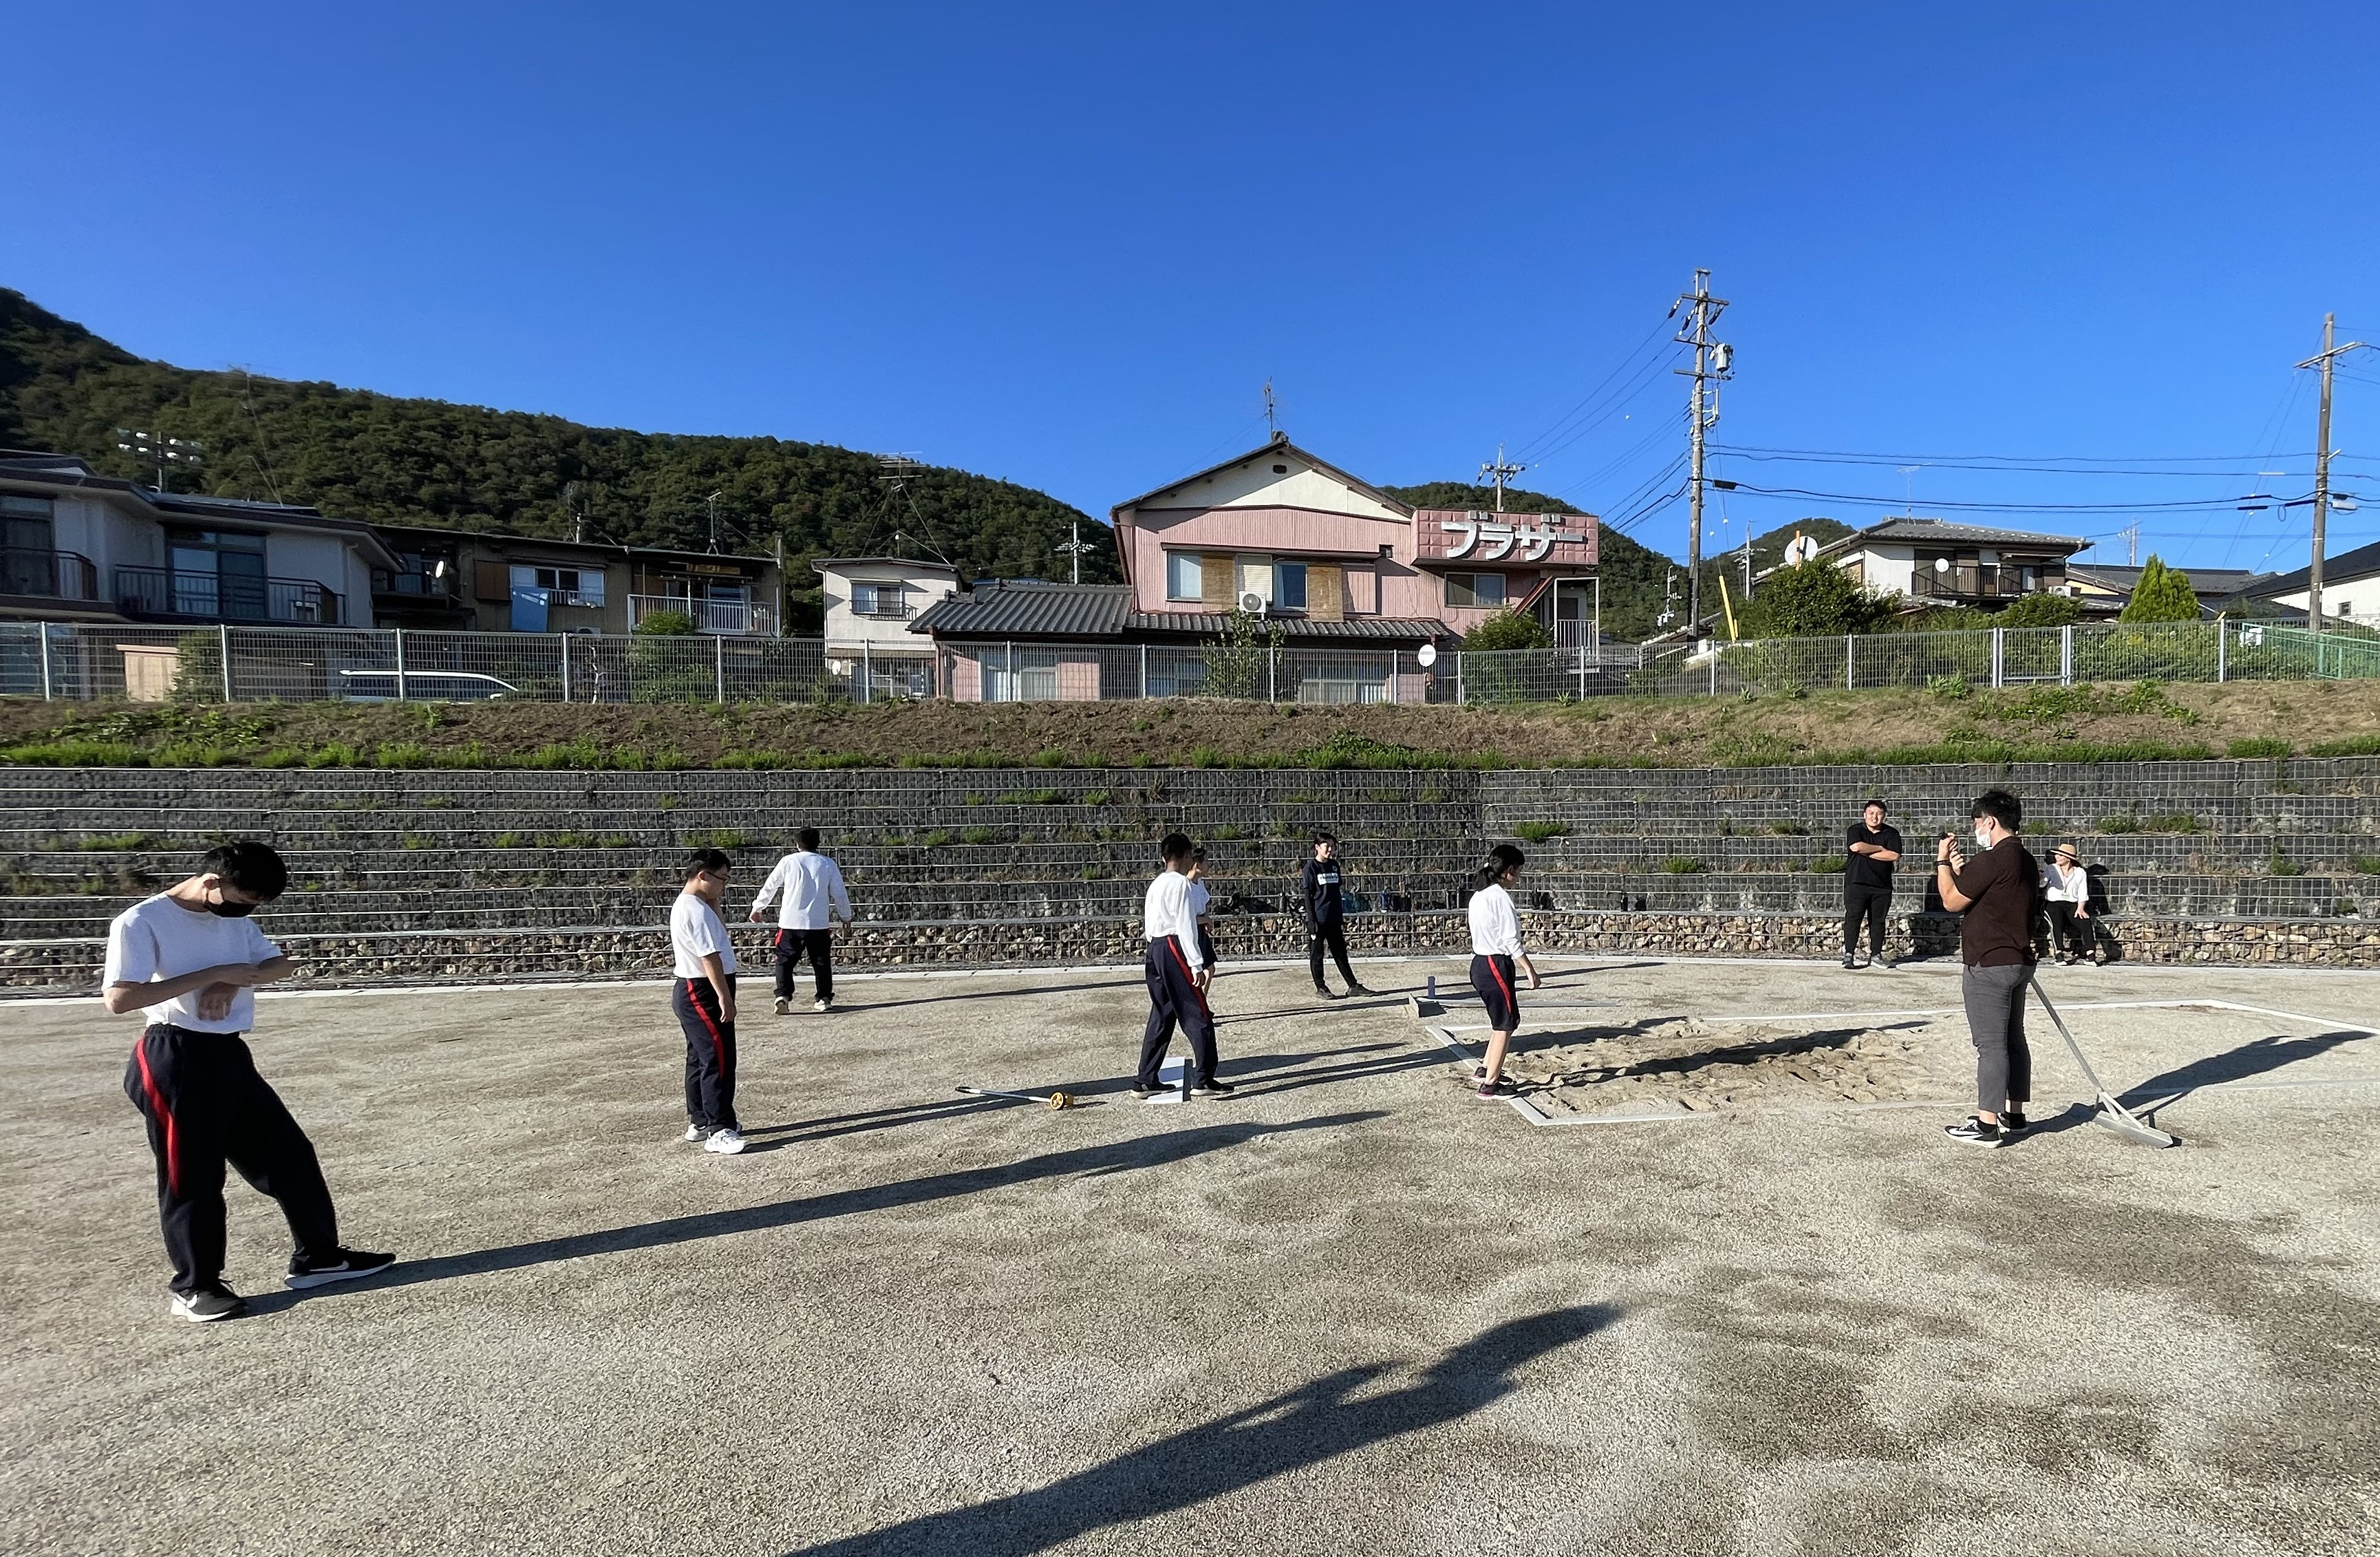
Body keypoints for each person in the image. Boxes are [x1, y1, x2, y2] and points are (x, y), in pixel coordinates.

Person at [104, 841, 394, 1323]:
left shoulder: (234, 918)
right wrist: (212, 973)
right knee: (192, 1175)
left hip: (227, 1051)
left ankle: (319, 1259)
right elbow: (119, 998)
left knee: (289, 1155)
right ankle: (195, 1287)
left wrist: (236, 980)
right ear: (212, 881)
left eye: (258, 904)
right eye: (245, 898)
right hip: (172, 1054)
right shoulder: (141, 921)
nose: (248, 910)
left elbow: (281, 963)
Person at [1933, 788, 2042, 1148]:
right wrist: (1965, 871)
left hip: (1989, 962)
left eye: (1977, 822)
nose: (1976, 828)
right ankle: (2015, 1113)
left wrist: (1943, 864)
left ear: (1990, 821)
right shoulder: (2025, 859)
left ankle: (1987, 1124)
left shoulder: (1993, 859)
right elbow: (1989, 894)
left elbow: (1951, 901)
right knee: (2014, 1038)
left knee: (1991, 1044)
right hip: (2018, 959)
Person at [1137, 832, 1230, 1100]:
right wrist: (1196, 963)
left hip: (1154, 948)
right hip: (1173, 946)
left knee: (1163, 1014)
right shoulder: (1181, 885)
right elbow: (1185, 927)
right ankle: (1204, 1078)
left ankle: (1146, 1079)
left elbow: (1149, 923)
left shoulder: (1155, 884)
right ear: (1186, 856)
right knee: (1197, 1012)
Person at [673, 848, 744, 1155]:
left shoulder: (698, 903)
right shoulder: (694, 909)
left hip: (699, 989)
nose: (725, 886)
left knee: (701, 1057)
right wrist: (725, 999)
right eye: (722, 879)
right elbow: (709, 958)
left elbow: (719, 935)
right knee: (718, 1057)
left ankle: (701, 1120)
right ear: (703, 875)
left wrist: (714, 898)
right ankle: (719, 1127)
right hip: (702, 989)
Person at [749, 827, 853, 1013]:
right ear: (818, 844)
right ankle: (824, 998)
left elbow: (771, 886)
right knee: (821, 962)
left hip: (790, 922)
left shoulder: (788, 861)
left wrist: (758, 907)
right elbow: (839, 893)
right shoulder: (828, 864)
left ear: (797, 844)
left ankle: (783, 995)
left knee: (784, 961)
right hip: (818, 923)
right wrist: (846, 916)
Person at [1467, 843, 1543, 1100]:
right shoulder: (1499, 897)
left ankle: (1486, 1067)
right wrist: (1530, 970)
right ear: (1509, 870)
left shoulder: (1480, 893)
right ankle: (1490, 1084)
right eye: (1518, 872)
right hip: (1494, 964)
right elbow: (1511, 941)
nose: (1518, 878)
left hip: (1479, 963)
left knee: (1499, 1019)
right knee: (1506, 1024)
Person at [1302, 831, 1372, 1000]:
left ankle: (1353, 985)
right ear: (1317, 847)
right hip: (1319, 919)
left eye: (1333, 846)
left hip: (1334, 917)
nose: (1331, 850)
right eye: (1327, 846)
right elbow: (1308, 896)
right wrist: (1311, 920)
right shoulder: (1310, 868)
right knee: (1317, 955)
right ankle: (1321, 987)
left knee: (1340, 953)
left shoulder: (1334, 866)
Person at [1842, 798, 1903, 970]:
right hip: (1857, 883)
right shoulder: (1855, 830)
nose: (1874, 817)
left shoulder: (1891, 833)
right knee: (1853, 918)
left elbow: (1894, 856)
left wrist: (1868, 852)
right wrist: (1881, 849)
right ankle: (1849, 954)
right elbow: (1856, 847)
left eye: (1879, 814)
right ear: (1864, 815)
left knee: (1878, 921)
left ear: (1884, 816)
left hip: (1882, 886)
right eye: (1871, 813)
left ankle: (1876, 955)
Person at [2042, 844, 2099, 965]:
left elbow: (2083, 892)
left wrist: (2081, 908)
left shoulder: (2080, 872)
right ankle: (2059, 953)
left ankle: (2090, 954)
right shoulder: (2051, 868)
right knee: (2057, 921)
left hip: (2072, 903)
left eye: (2060, 855)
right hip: (2053, 902)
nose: (2056, 857)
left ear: (2068, 858)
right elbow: (2042, 883)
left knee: (2085, 921)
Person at [1188, 845, 1219, 971]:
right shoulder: (1185, 885)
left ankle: (1202, 993)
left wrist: (1205, 919)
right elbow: (1187, 918)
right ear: (1197, 865)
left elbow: (1205, 901)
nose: (1208, 865)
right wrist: (1206, 921)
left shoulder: (1199, 882)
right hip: (1190, 931)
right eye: (1205, 861)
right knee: (1200, 970)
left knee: (1209, 968)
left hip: (1201, 929)